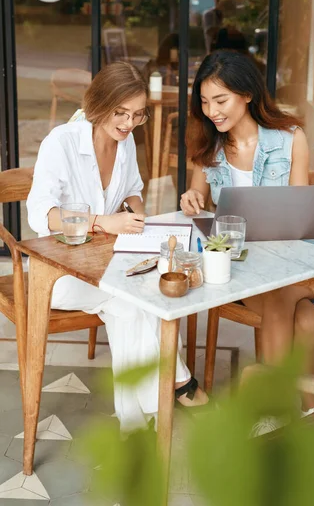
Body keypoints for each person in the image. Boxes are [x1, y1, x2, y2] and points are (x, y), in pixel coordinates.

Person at [27, 61, 208, 432]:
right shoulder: (60, 142)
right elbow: (40, 215)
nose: (128, 124)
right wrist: (100, 222)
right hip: (58, 270)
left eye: (137, 115)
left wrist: (138, 218)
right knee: (132, 300)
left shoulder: (124, 145)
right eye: (120, 113)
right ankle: (176, 385)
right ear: (99, 104)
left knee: (134, 303)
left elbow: (132, 192)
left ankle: (134, 424)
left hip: (104, 261)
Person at [180, 50, 314, 433]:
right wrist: (189, 199)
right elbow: (194, 199)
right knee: (307, 317)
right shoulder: (207, 146)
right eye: (205, 101)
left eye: (220, 100)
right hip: (242, 265)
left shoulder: (290, 139)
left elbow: (300, 211)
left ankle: (278, 406)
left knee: (283, 296)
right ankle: (310, 410)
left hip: (295, 260)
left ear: (246, 94)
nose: (212, 111)